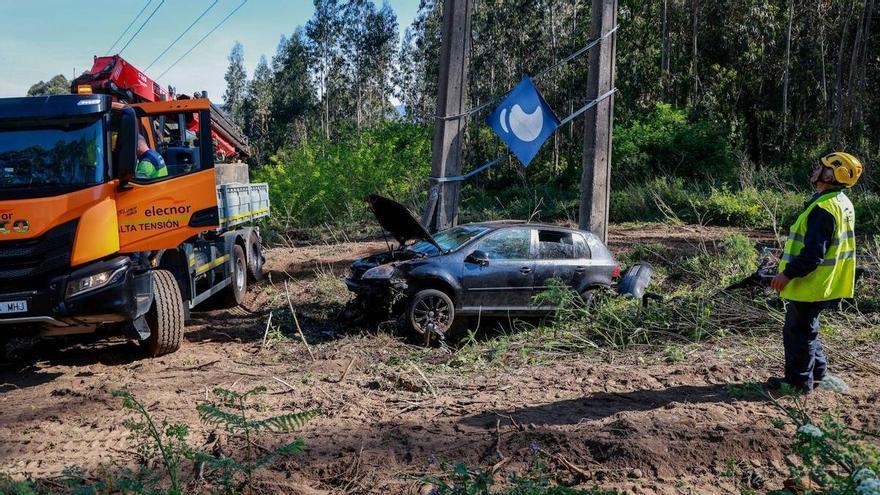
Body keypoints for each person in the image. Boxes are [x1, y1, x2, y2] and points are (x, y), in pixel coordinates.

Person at [768, 152, 862, 393]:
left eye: (821, 167)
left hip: (812, 284)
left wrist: (786, 274)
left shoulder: (823, 208)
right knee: (808, 329)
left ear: (831, 175)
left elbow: (813, 254)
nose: (815, 170)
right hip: (828, 283)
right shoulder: (841, 202)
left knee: (798, 332)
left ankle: (798, 384)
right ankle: (818, 375)